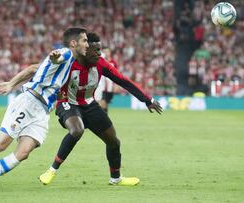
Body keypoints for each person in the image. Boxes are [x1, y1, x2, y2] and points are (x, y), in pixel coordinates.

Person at [0, 27, 89, 192]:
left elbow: (32, 69)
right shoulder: (66, 54)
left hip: (42, 113)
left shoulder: (72, 64)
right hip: (29, 103)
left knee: (23, 153)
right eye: (84, 40)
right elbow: (58, 56)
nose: (87, 44)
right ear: (73, 43)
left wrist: (11, 84)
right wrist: (54, 58)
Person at [38, 33, 163, 186]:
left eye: (100, 50)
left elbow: (123, 81)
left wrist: (147, 100)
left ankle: (116, 178)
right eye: (96, 50)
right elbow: (49, 68)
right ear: (85, 49)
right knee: (77, 130)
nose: (99, 53)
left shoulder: (101, 64)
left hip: (90, 105)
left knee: (114, 142)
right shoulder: (69, 63)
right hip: (68, 103)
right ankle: (52, 170)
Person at [95, 47, 117, 113]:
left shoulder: (113, 62)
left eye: (107, 51)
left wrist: (116, 85)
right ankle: (102, 119)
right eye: (104, 52)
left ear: (110, 52)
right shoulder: (100, 61)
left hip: (110, 88)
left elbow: (116, 74)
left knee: (106, 104)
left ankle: (105, 118)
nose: (106, 53)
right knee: (102, 103)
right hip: (102, 87)